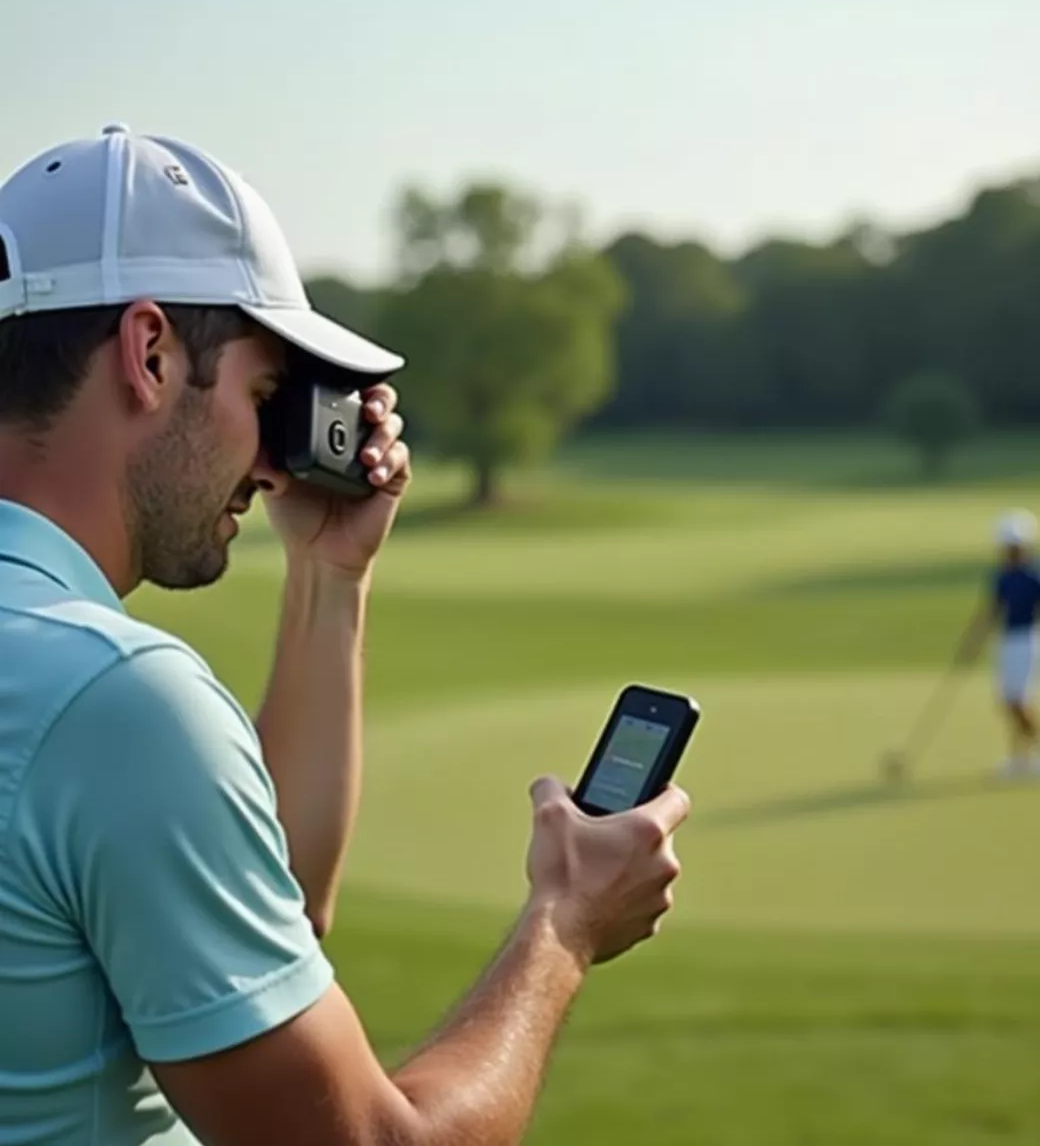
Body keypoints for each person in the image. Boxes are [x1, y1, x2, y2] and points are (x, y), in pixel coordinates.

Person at [0, 124, 689, 1146]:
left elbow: (268, 914)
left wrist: (331, 578)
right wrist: (565, 929)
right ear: (149, 353)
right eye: (265, 395)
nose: (275, 465)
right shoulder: (119, 699)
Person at [956, 508, 1040, 779]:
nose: (1009, 551)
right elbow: (989, 612)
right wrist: (972, 641)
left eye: (1014, 545)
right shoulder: (1001, 576)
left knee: (1020, 701)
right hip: (1007, 641)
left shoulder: (1039, 573)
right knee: (1008, 701)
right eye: (1006, 545)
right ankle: (1021, 759)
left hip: (1032, 639)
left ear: (1027, 544)